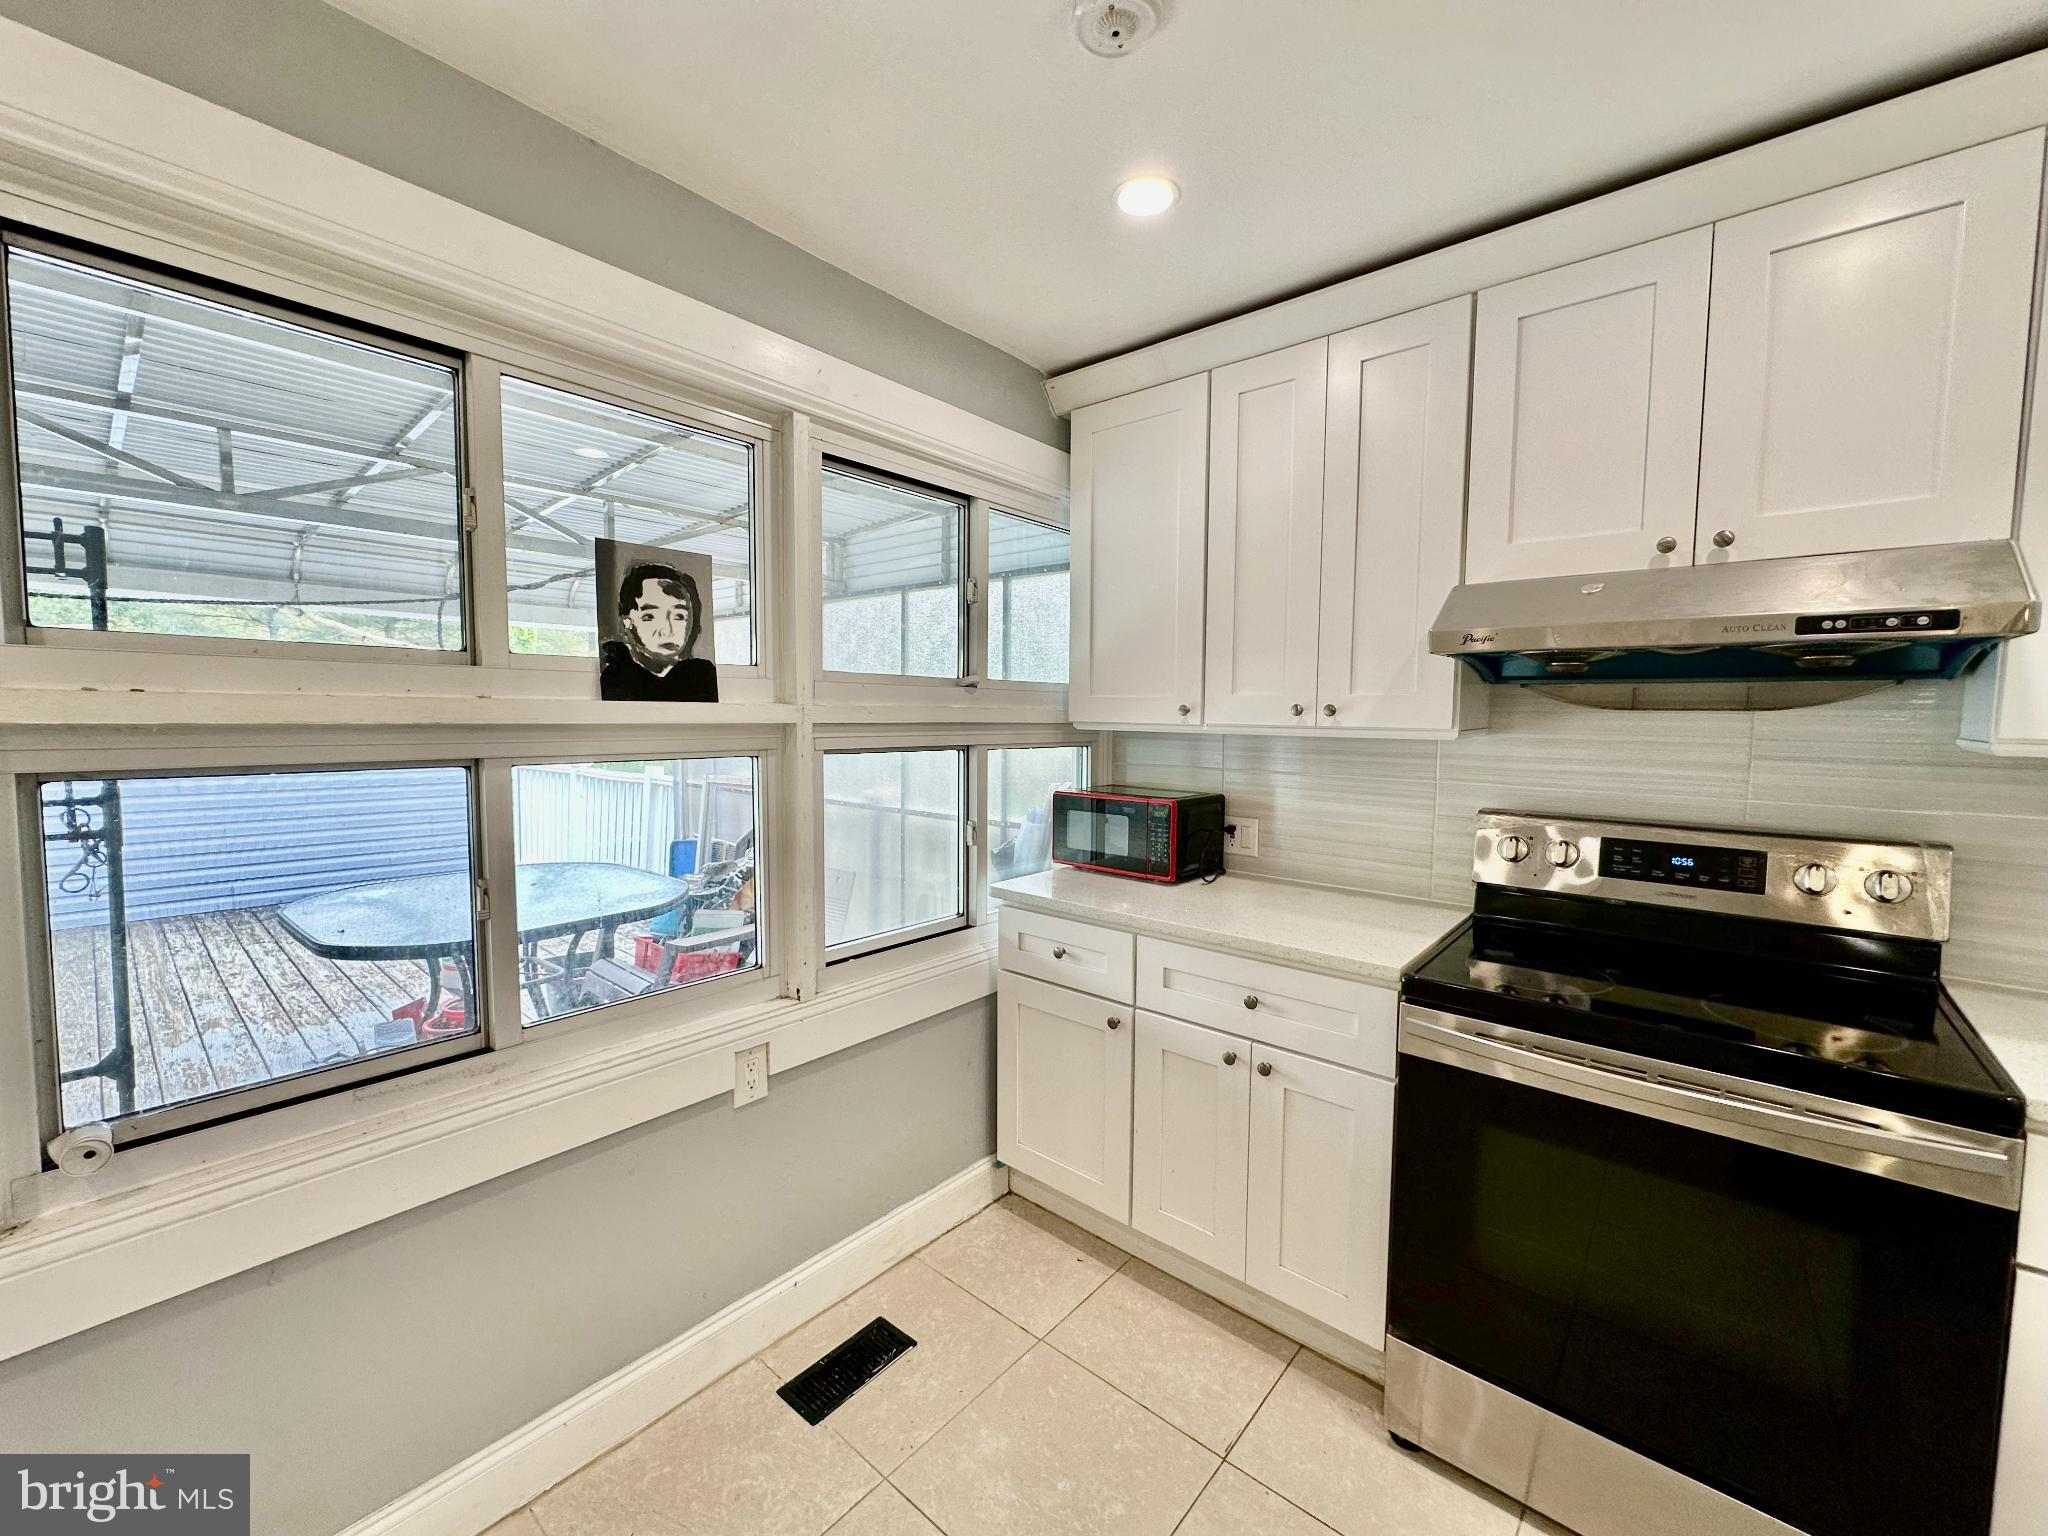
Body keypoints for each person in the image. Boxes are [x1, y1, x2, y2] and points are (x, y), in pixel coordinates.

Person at [599, 562, 719, 702]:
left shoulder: (702, 675)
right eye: (650, 617)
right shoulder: (616, 678)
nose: (668, 630)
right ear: (628, 622)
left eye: (679, 616)